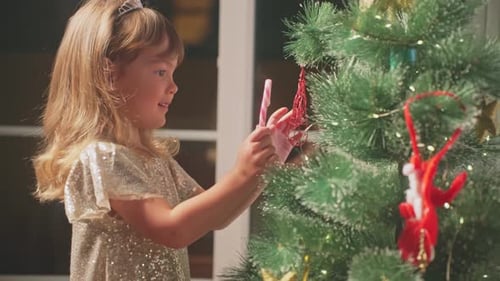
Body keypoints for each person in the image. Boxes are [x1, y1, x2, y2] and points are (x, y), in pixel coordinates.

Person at [32, 0, 294, 280]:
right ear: (108, 74)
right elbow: (172, 229)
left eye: (172, 73)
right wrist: (242, 171)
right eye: (160, 72)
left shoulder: (155, 159)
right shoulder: (102, 157)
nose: (174, 86)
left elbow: (216, 214)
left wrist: (262, 168)